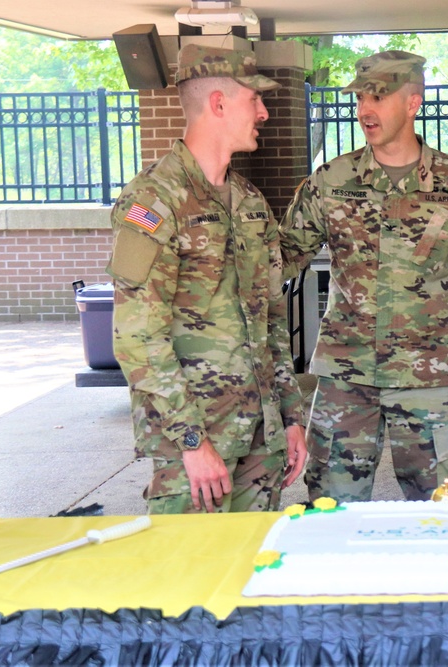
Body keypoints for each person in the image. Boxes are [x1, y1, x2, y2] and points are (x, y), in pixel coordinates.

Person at [281, 50, 448, 502]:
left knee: (442, 507)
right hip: (345, 375)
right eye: (360, 97)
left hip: (427, 374)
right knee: (330, 506)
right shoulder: (330, 180)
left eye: (379, 97)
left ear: (413, 103)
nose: (365, 109)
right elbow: (282, 259)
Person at [107, 45, 306, 514]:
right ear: (217, 104)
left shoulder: (250, 201)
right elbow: (136, 337)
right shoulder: (154, 202)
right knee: (188, 577)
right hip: (194, 447)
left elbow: (271, 319)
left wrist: (292, 416)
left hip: (260, 437)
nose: (264, 111)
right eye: (254, 99)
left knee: (252, 574)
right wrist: (193, 443)